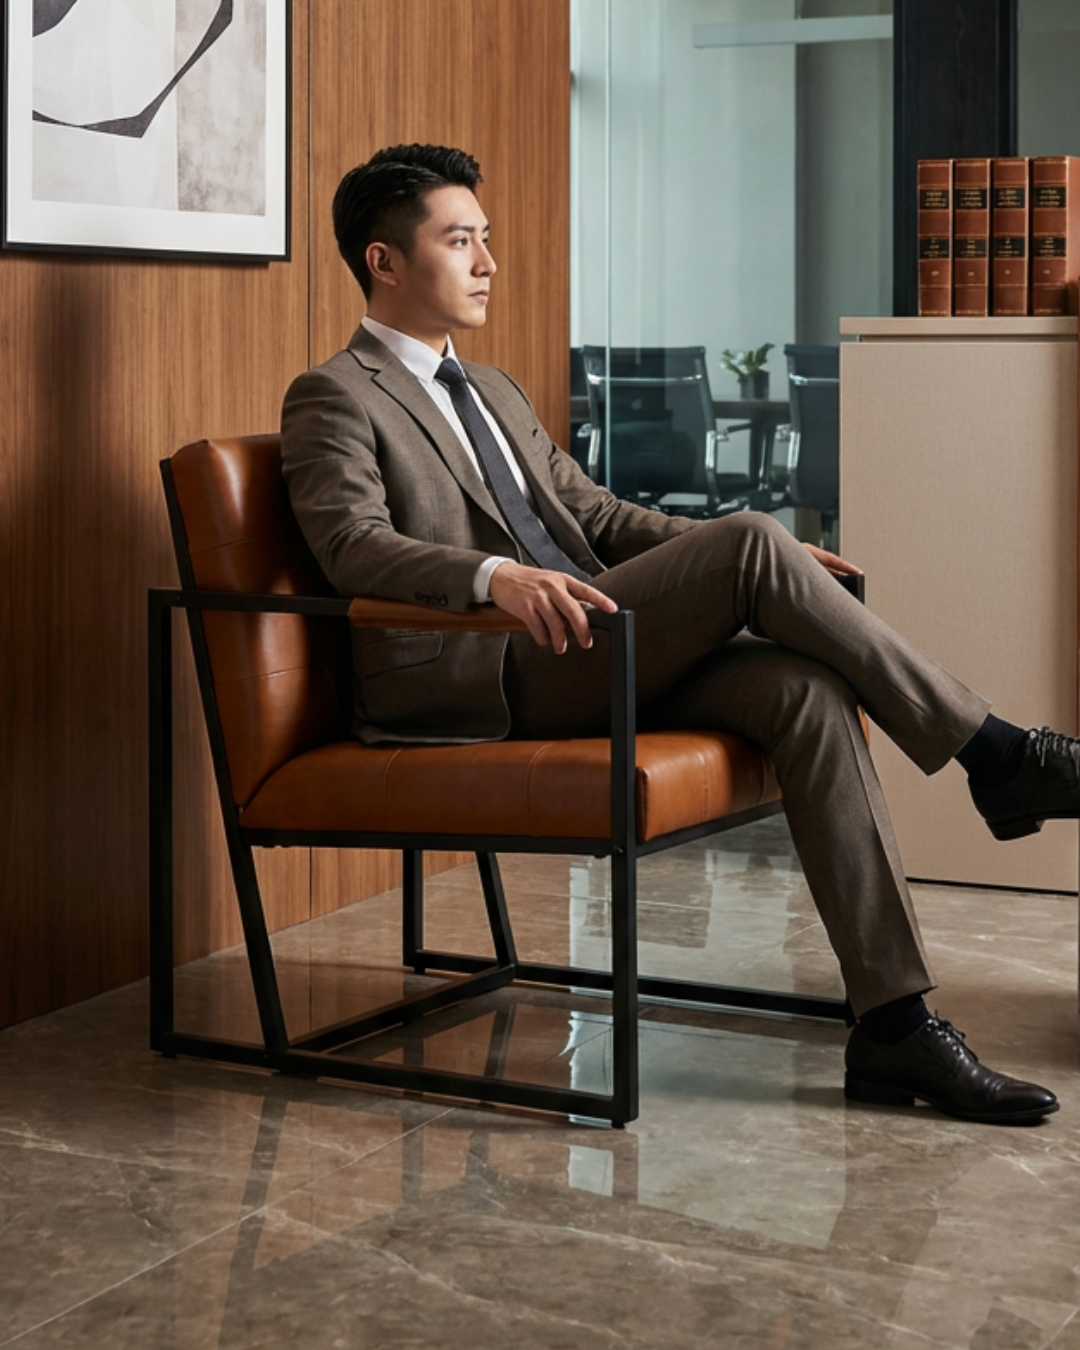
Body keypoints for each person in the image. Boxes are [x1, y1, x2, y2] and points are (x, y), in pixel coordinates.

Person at [282, 143, 1074, 1125]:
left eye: (486, 239)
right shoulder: (335, 394)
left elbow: (602, 517)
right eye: (459, 240)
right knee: (750, 540)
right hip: (485, 671)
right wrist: (491, 575)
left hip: (595, 642)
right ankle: (999, 754)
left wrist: (771, 561)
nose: (487, 262)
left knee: (804, 689)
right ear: (384, 262)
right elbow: (351, 544)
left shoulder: (492, 389)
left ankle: (895, 1025)